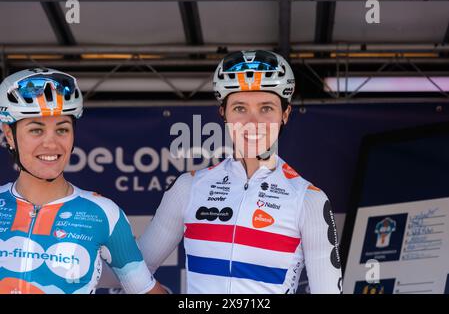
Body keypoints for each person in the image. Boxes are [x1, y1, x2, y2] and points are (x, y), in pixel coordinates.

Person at [102, 50, 343, 294]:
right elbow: (131, 272)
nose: (252, 122)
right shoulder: (189, 188)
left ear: (285, 114)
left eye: (266, 108)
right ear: (223, 113)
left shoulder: (309, 199)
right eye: (240, 108)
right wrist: (74, 256)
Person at [0, 68, 165, 294]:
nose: (51, 144)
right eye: (36, 130)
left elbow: (147, 290)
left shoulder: (103, 213)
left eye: (62, 130)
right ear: (9, 135)